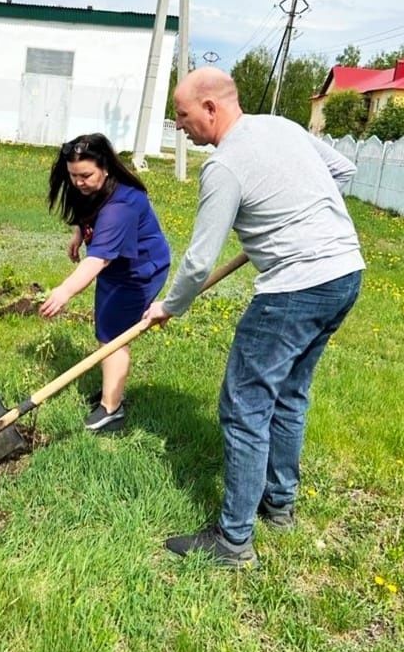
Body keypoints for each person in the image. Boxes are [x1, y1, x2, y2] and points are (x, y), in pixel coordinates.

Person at [143, 68, 365, 569]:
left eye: (181, 114)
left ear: (210, 109)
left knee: (245, 405)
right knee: (289, 392)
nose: (178, 125)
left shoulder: (224, 166)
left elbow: (199, 262)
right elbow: (344, 171)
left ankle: (233, 541)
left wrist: (168, 306)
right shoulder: (283, 127)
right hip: (346, 274)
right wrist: (298, 216)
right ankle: (279, 505)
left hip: (296, 289)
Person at [39, 133, 171, 432]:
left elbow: (97, 261)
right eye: (73, 176)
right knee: (106, 326)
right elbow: (84, 212)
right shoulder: (88, 188)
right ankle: (112, 390)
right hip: (116, 267)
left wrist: (64, 292)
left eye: (86, 175)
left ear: (106, 167)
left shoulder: (122, 205)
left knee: (113, 335)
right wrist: (78, 234)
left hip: (140, 269)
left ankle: (112, 409)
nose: (79, 182)